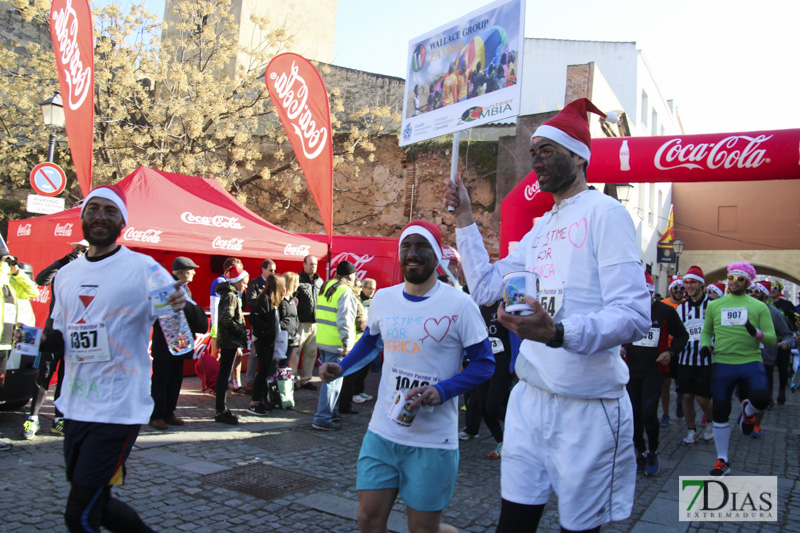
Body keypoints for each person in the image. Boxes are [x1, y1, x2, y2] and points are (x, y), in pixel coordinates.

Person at [445, 98, 651, 532]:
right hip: (530, 400)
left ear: (579, 156)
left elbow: (634, 315)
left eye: (547, 150)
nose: (535, 158)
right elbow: (484, 287)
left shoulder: (607, 214)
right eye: (533, 150)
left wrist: (558, 332)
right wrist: (465, 218)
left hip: (589, 408)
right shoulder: (539, 228)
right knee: (513, 526)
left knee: (578, 529)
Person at [318, 220, 494, 533]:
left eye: (421, 246)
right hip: (383, 432)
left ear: (437, 255)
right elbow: (371, 342)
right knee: (368, 520)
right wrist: (342, 367)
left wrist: (442, 391)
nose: (412, 253)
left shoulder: (460, 304)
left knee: (423, 529)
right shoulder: (384, 299)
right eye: (406, 246)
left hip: (433, 440)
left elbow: (484, 363)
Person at [42, 185, 185, 531]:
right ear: (83, 218)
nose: (100, 216)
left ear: (122, 221)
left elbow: (180, 340)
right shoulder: (67, 274)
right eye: (93, 209)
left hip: (118, 408)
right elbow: (60, 335)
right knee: (99, 504)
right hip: (75, 405)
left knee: (80, 515)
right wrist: (38, 347)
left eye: (110, 210)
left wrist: (178, 308)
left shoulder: (144, 268)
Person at [701, 262, 776, 476]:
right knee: (720, 410)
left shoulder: (759, 307)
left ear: (748, 282)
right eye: (731, 278)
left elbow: (771, 340)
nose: (734, 282)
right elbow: (706, 332)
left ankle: (748, 412)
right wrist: (704, 347)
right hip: (723, 362)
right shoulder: (715, 305)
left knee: (762, 399)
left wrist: (756, 333)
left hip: (750, 361)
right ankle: (722, 460)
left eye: (740, 279)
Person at [623, 271, 688, 477]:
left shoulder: (665, 311)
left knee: (649, 413)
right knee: (633, 415)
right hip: (632, 369)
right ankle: (640, 451)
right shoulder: (628, 311)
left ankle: (653, 451)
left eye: (647, 294)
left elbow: (682, 335)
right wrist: (620, 346)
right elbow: (618, 333)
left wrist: (671, 352)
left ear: (652, 293)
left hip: (655, 369)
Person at [22, 241, 87, 440]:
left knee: (66, 378)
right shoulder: (63, 270)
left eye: (84, 250)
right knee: (44, 374)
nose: (80, 253)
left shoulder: (91, 274)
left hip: (74, 333)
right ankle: (32, 418)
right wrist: (61, 261)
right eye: (78, 249)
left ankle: (59, 419)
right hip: (53, 332)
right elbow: (41, 280)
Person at [148, 257, 208, 431]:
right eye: (191, 269)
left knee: (174, 378)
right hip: (166, 342)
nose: (195, 272)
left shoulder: (185, 289)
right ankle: (157, 414)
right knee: (162, 379)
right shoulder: (169, 287)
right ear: (181, 272)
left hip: (179, 341)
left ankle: (168, 412)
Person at [461, 300, 514, 460]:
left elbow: (515, 334)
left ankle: (523, 431)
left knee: (493, 406)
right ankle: (501, 442)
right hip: (484, 361)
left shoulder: (503, 305)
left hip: (503, 361)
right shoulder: (479, 307)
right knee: (483, 407)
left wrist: (514, 362)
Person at [311, 261, 359, 430]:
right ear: (349, 275)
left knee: (330, 379)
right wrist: (347, 342)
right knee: (332, 382)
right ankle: (322, 418)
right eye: (354, 274)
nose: (355, 277)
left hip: (324, 339)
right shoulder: (345, 291)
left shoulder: (327, 285)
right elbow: (345, 320)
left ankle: (332, 412)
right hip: (336, 342)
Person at [0, 247, 38, 450]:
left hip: (5, 342)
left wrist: (16, 272)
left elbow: (32, 291)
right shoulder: (1, 278)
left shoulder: (9, 281)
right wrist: (3, 266)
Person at [675, 266, 715, 445]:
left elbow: (720, 330)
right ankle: (691, 430)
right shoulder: (681, 308)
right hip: (685, 359)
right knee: (686, 397)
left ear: (701, 284)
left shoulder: (713, 306)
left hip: (706, 360)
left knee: (703, 399)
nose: (689, 286)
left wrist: (715, 344)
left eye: (692, 282)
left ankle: (712, 422)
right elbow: (677, 333)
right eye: (686, 283)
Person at [749, 280, 793, 434]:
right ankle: (747, 415)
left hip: (765, 358)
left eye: (756, 291)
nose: (752, 294)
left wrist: (786, 342)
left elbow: (788, 334)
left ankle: (757, 425)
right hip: (744, 356)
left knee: (761, 394)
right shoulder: (744, 310)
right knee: (745, 393)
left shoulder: (775, 314)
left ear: (765, 295)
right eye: (751, 291)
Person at [214, 263, 249, 425]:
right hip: (229, 341)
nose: (245, 284)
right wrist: (240, 331)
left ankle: (222, 408)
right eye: (243, 281)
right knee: (224, 375)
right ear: (235, 281)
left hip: (229, 340)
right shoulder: (231, 296)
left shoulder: (230, 294)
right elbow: (227, 319)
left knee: (224, 375)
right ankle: (220, 410)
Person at [247, 274, 283, 416]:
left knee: (266, 370)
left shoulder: (273, 300)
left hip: (268, 340)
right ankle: (254, 402)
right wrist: (267, 330)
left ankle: (261, 400)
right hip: (263, 340)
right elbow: (253, 317)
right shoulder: (264, 299)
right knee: (262, 371)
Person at [244, 259, 276, 393]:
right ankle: (250, 381)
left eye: (275, 270)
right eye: (271, 270)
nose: (273, 273)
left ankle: (267, 381)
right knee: (254, 352)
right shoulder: (255, 283)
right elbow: (249, 300)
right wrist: (263, 300)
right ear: (263, 270)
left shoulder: (274, 283)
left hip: (271, 323)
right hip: (259, 323)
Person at [659, 275, 686, 427]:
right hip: (666, 349)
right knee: (665, 384)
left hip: (682, 350)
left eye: (681, 288)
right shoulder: (663, 304)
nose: (679, 291)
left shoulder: (687, 305)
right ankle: (665, 413)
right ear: (671, 289)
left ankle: (680, 401)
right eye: (676, 288)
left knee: (680, 384)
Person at [767, 280, 798, 404]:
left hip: (782, 342)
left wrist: (793, 334)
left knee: (783, 368)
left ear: (779, 290)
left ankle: (782, 390)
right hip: (768, 341)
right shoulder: (764, 304)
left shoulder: (786, 304)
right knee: (767, 368)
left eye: (775, 288)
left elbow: (794, 319)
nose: (773, 290)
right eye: (770, 288)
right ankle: (769, 396)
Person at [295, 255, 323, 390]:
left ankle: (306, 379)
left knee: (311, 353)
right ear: (304, 265)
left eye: (315, 264)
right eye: (311, 264)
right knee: (296, 352)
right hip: (300, 322)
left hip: (315, 323)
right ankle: (293, 380)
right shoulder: (297, 280)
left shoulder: (319, 281)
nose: (313, 266)